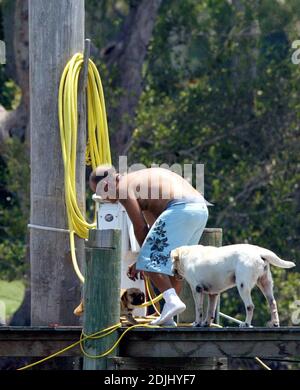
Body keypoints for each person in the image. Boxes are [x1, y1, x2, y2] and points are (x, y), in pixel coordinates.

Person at [89, 165, 209, 326]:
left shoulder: (123, 188)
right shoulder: (141, 184)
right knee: (176, 263)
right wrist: (143, 259)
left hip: (180, 208)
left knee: (150, 260)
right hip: (199, 209)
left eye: (101, 194)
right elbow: (153, 232)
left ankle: (172, 301)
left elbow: (140, 227)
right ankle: (168, 316)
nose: (105, 199)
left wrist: (144, 260)